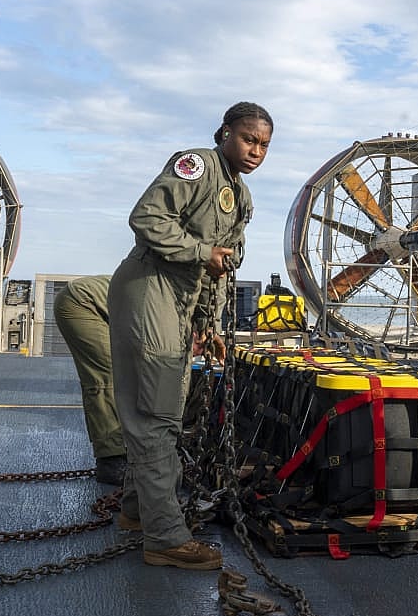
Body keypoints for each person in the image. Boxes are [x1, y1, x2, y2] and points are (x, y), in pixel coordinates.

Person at [109, 101, 272, 570]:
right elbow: (146, 219)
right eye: (248, 139)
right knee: (155, 415)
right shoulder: (197, 166)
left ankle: (138, 512)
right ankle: (163, 537)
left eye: (263, 145)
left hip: (180, 300)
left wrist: (209, 325)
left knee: (167, 411)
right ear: (225, 133)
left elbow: (218, 270)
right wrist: (201, 250)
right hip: (150, 286)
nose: (255, 150)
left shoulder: (240, 198)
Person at [53, 275, 126, 485]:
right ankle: (112, 460)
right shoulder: (170, 314)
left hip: (98, 306)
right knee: (107, 376)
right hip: (80, 303)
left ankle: (122, 448)